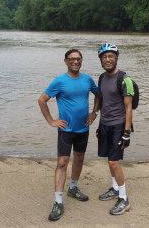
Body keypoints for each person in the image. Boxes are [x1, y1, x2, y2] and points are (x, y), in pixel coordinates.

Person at [38, 49, 98, 221]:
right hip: (65, 130)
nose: (76, 61)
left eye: (78, 59)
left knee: (79, 158)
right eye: (72, 59)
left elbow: (98, 94)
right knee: (62, 163)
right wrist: (51, 121)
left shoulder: (87, 79)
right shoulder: (59, 82)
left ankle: (73, 188)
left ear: (82, 61)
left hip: (83, 129)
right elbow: (42, 100)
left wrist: (94, 112)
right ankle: (58, 202)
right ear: (65, 61)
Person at [94, 42, 133, 215]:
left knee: (113, 161)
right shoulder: (102, 78)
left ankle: (124, 199)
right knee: (109, 159)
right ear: (101, 60)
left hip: (118, 126)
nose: (107, 60)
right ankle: (115, 188)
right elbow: (101, 100)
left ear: (116, 59)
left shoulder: (125, 79)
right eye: (104, 57)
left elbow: (128, 108)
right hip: (105, 125)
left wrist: (126, 133)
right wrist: (96, 117)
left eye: (110, 56)